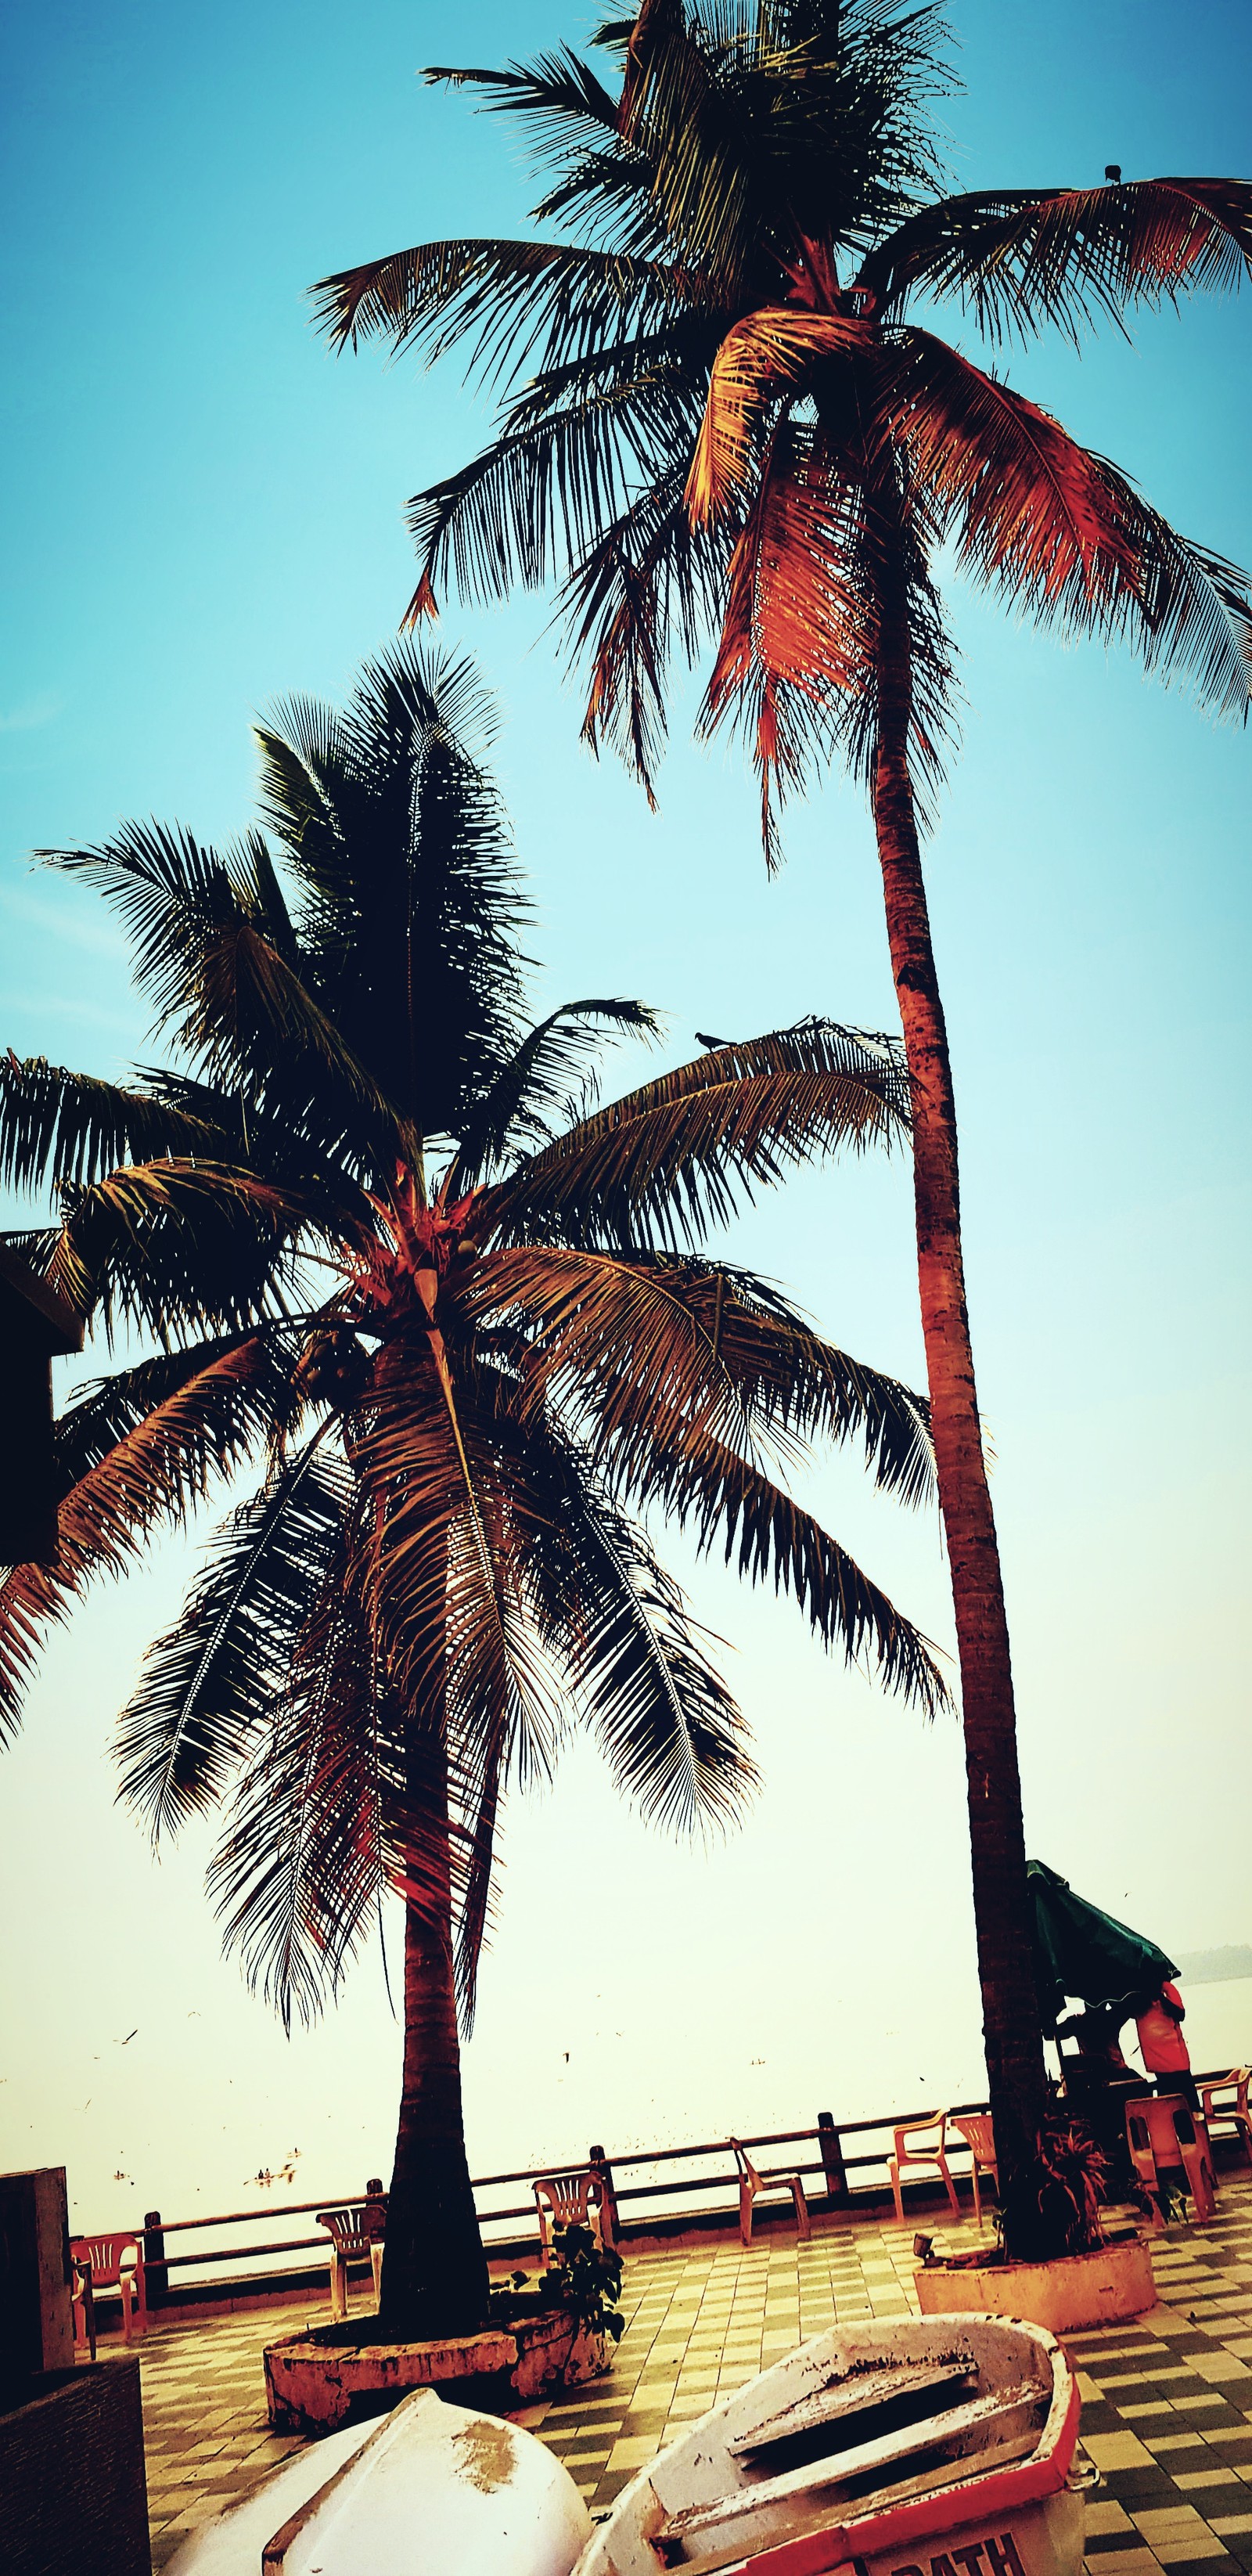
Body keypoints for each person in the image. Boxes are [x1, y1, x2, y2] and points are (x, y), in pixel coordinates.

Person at [1135, 1979, 1200, 2113]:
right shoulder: (1137, 1997)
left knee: (1190, 2108)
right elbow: (1126, 2011)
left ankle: (1194, 2133)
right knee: (1170, 2110)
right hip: (1158, 2064)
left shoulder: (1167, 1989)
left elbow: (1180, 2014)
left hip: (1178, 2062)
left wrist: (1160, 1997)